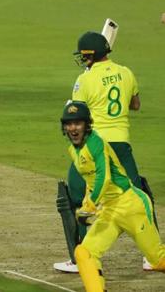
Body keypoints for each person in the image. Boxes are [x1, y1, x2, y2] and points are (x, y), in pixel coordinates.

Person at [54, 31, 158, 272]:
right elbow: (135, 104)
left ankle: (79, 258)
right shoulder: (126, 72)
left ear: (89, 55)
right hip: (122, 143)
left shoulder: (84, 80)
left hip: (96, 145)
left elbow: (78, 112)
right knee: (138, 196)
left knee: (76, 198)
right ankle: (152, 256)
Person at [58, 101, 165, 291]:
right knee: (84, 253)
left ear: (87, 125)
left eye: (78, 123)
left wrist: (90, 206)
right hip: (108, 211)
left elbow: (104, 177)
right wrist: (86, 202)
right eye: (69, 124)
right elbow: (91, 182)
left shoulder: (96, 143)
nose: (73, 128)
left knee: (157, 260)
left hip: (131, 205)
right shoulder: (73, 150)